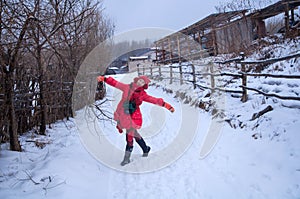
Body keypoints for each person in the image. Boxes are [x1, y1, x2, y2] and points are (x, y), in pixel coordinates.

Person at [97, 75, 175, 166]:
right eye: (140, 81)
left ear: (144, 85)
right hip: (123, 114)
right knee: (134, 134)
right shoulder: (126, 87)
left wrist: (166, 105)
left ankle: (126, 159)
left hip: (133, 116)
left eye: (142, 82)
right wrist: (105, 79)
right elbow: (116, 83)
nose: (140, 83)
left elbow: (153, 100)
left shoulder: (142, 94)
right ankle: (145, 149)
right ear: (137, 80)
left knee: (129, 136)